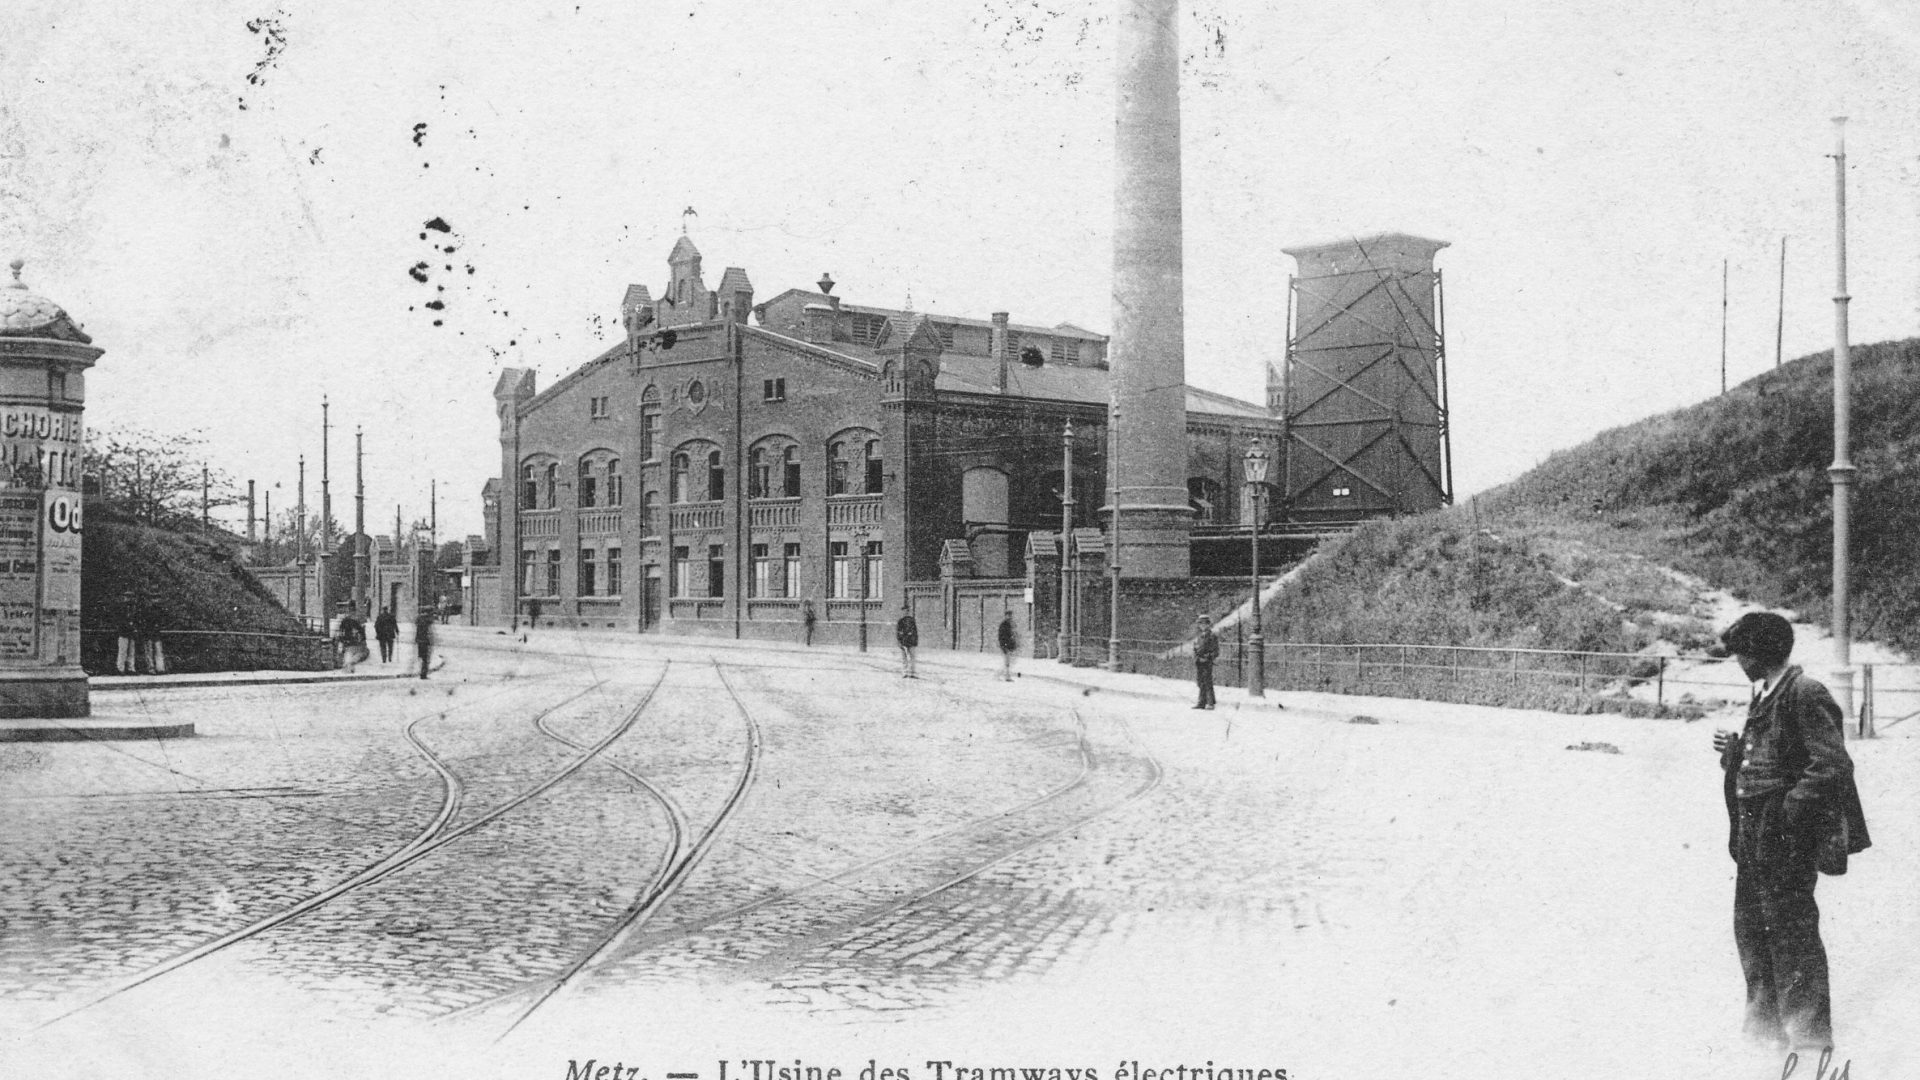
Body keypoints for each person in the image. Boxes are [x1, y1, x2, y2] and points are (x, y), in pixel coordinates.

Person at [1710, 612, 1869, 1059]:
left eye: (1742, 652)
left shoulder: (1803, 692)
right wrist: (1736, 753)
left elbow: (1832, 766)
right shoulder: (1766, 693)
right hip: (1753, 838)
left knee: (1791, 934)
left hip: (1782, 838)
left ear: (1760, 654)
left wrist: (1786, 815)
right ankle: (1765, 1030)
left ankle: (1810, 1036)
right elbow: (1778, 757)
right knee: (1753, 931)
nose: (1739, 661)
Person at [1191, 615, 1218, 710]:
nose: (1202, 626)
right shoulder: (1199, 636)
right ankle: (1201, 702)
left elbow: (1215, 651)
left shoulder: (1212, 636)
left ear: (1208, 625)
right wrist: (1196, 657)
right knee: (1200, 682)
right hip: (1199, 662)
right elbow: (1195, 648)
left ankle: (1210, 703)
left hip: (1206, 662)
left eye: (1204, 624)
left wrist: (1207, 657)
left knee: (1207, 682)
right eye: (1200, 624)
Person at [895, 604, 918, 679]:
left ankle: (912, 673)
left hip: (911, 642)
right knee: (904, 658)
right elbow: (898, 632)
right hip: (903, 641)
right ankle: (905, 672)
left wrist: (915, 641)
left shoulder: (912, 620)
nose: (905, 613)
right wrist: (899, 641)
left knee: (912, 658)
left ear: (908, 612)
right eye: (904, 611)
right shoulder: (900, 621)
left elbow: (915, 631)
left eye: (906, 611)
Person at [997, 610, 1018, 681]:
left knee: (1009, 662)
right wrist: (1004, 645)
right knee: (1007, 662)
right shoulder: (1004, 625)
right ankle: (1005, 676)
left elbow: (1013, 635)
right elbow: (1002, 636)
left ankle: (1001, 675)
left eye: (1010, 615)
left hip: (1009, 646)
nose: (1010, 617)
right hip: (1006, 646)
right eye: (1008, 615)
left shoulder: (1010, 624)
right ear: (1006, 616)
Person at [415, 608, 437, 679]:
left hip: (419, 640)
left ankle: (421, 672)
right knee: (426, 658)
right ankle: (423, 674)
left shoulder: (418, 619)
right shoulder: (428, 621)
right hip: (426, 641)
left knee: (421, 657)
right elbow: (430, 632)